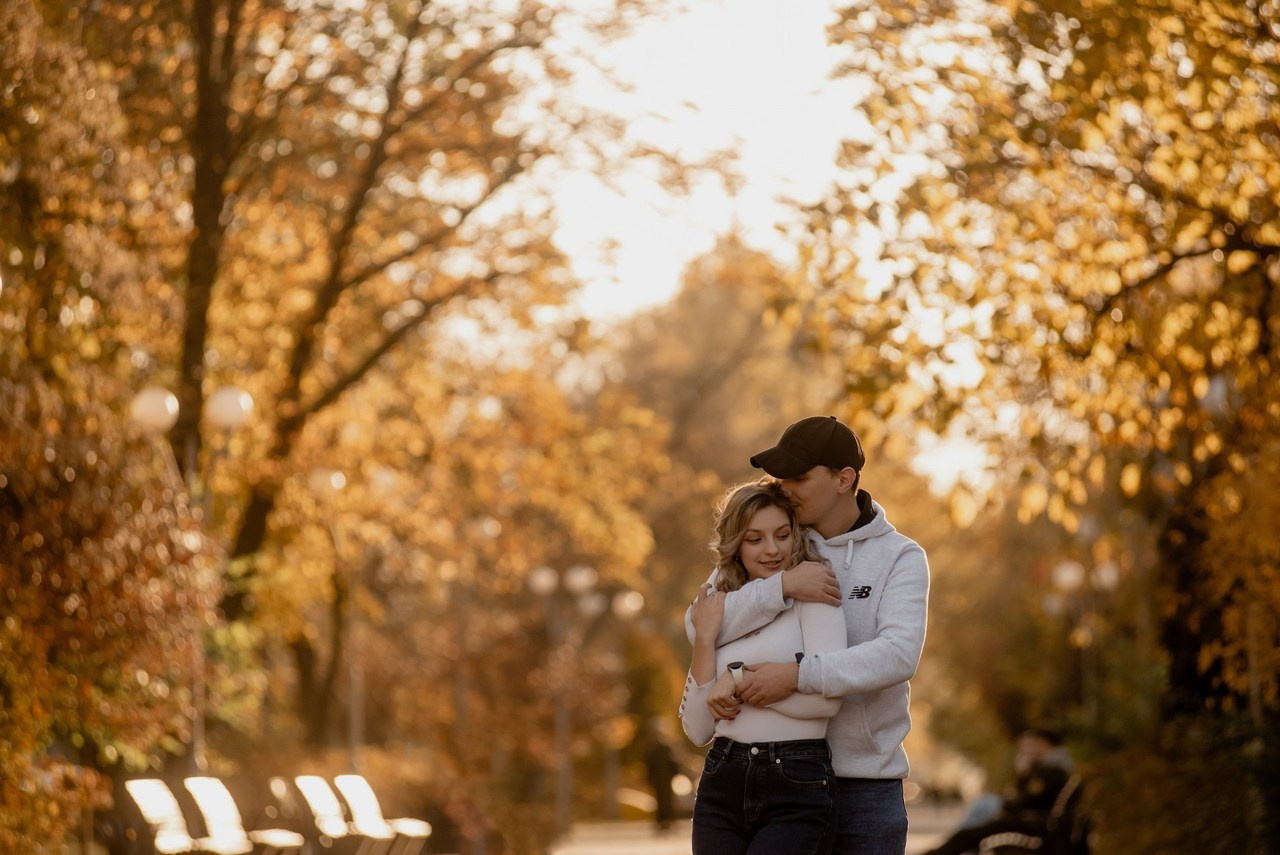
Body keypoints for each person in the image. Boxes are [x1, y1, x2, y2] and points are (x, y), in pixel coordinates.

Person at [688, 415, 930, 855]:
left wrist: (798, 675)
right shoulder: (775, 539)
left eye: (798, 477)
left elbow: (897, 655)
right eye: (781, 476)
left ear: (844, 479)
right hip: (767, 771)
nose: (784, 487)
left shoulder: (900, 557)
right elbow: (700, 621)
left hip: (864, 785)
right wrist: (782, 587)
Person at [680, 480, 848, 855]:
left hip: (796, 781)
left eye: (782, 535)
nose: (772, 550)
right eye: (755, 539)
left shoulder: (814, 592)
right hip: (721, 781)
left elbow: (825, 703)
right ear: (736, 545)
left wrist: (737, 679)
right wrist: (705, 640)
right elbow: (698, 727)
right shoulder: (720, 610)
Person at [922, 728, 1074, 855]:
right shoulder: (1051, 766)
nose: (1029, 748)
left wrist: (1021, 778)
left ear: (1042, 743)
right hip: (1027, 820)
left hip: (1028, 824)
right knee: (975, 824)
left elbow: (1030, 798)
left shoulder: (1053, 769)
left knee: (973, 828)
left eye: (1033, 744)